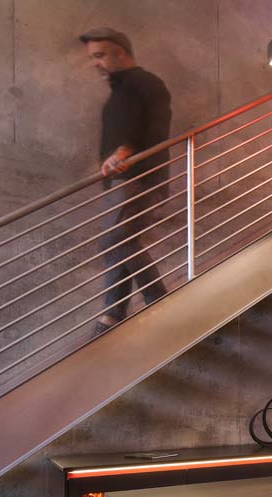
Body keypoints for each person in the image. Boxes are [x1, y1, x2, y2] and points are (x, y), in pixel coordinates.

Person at [79, 27, 173, 334]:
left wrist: (124, 150)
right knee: (120, 242)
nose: (95, 63)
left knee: (116, 240)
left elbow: (154, 126)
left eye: (100, 55)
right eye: (93, 57)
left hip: (138, 176)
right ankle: (113, 313)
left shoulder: (144, 82)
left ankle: (157, 298)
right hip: (124, 179)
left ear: (120, 52)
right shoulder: (121, 90)